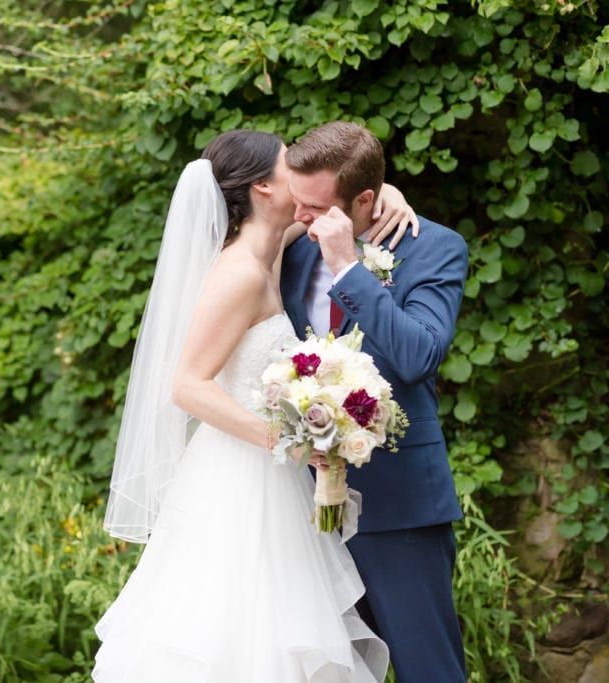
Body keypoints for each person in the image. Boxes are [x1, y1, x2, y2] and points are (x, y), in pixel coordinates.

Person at [94, 129, 417, 681]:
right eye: (290, 162)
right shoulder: (239, 272)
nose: (302, 173)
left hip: (276, 477)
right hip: (239, 480)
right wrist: (286, 442)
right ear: (266, 186)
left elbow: (337, 206)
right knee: (241, 635)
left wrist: (389, 195)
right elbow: (188, 386)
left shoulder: (273, 245)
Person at [281, 121, 469, 682]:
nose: (300, 218)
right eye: (297, 201)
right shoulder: (289, 249)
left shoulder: (434, 248)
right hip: (299, 510)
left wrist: (347, 266)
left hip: (399, 502)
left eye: (314, 207)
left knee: (426, 669)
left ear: (364, 199)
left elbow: (418, 356)